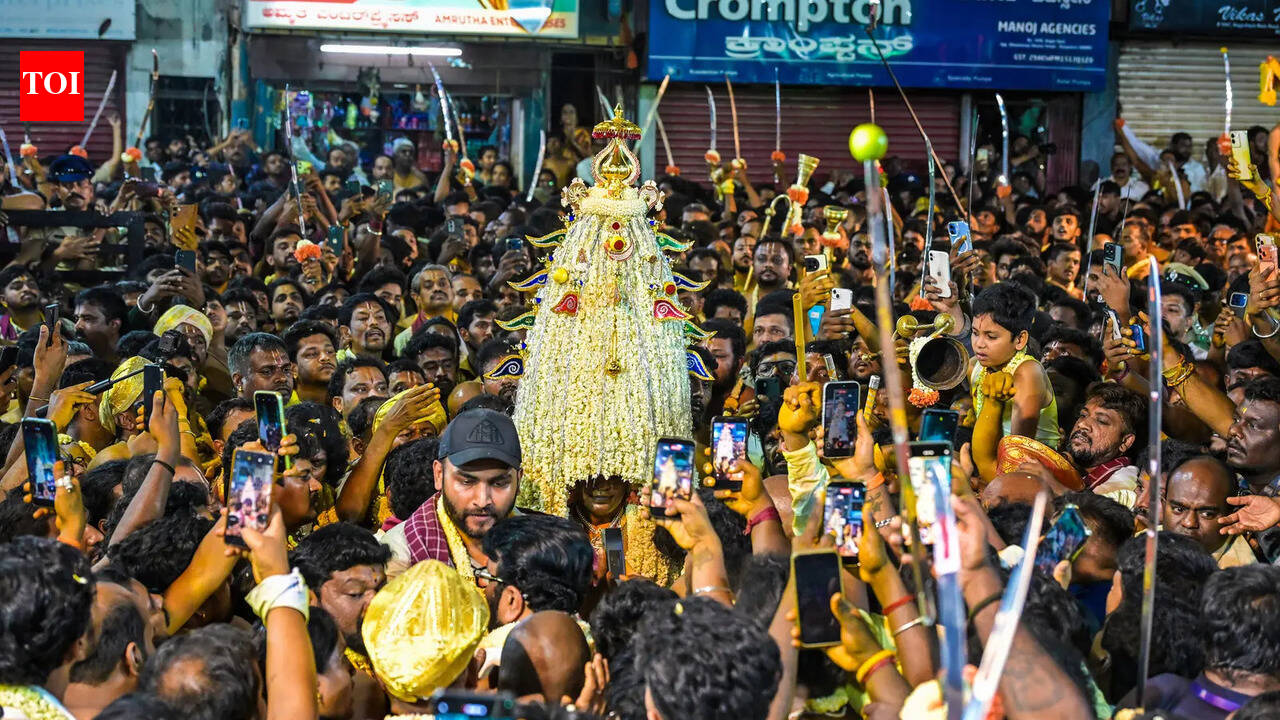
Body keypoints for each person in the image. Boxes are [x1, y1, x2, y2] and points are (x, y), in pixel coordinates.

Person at [379, 408, 522, 578]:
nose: (483, 500)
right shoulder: (401, 552)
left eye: (499, 483)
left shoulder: (544, 546)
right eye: (467, 482)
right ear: (439, 475)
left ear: (519, 480)